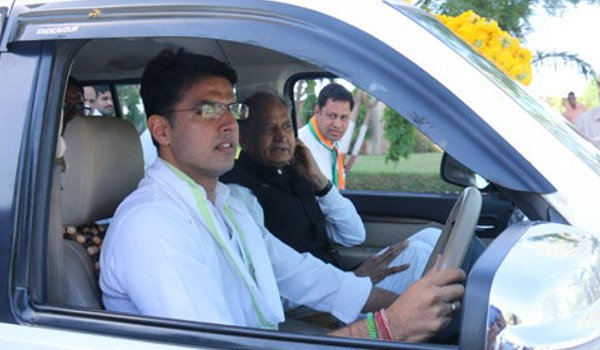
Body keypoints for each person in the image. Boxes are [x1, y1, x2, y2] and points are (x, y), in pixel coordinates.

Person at [99, 49, 465, 342]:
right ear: (161, 130)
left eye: (232, 108)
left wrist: (408, 305)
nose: (229, 123)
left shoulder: (231, 204)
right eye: (208, 109)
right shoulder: (151, 227)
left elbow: (306, 276)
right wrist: (388, 327)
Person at [222, 92, 439, 295]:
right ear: (244, 138)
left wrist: (320, 182)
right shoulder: (239, 191)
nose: (281, 136)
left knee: (432, 236)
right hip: (317, 303)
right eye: (268, 128)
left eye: (287, 126)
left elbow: (354, 235)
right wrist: (353, 280)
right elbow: (269, 278)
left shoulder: (297, 173)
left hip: (339, 280)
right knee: (419, 255)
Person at [298, 83, 352, 189]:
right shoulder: (300, 146)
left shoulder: (333, 143)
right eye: (332, 116)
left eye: (344, 117)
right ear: (317, 111)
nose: (337, 124)